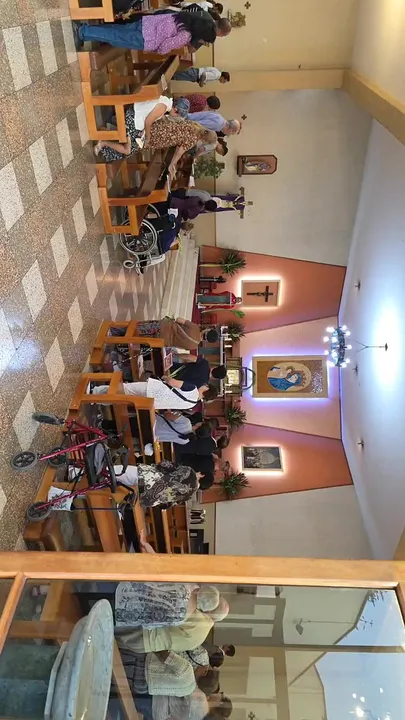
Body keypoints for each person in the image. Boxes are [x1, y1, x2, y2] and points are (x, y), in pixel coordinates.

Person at [93, 114, 216, 177]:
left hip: (156, 128)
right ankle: (104, 141)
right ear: (205, 139)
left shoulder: (194, 124)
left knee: (132, 138)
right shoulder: (193, 139)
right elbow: (179, 152)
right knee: (129, 148)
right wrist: (172, 165)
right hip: (157, 139)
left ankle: (108, 132)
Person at [115, 598, 230, 652]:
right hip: (144, 646)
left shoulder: (198, 619)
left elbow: (172, 606)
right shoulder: (202, 637)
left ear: (211, 608)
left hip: (142, 630)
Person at [94, 95, 189, 158]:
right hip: (133, 118)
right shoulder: (163, 107)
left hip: (135, 116)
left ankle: (107, 132)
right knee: (128, 150)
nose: (175, 117)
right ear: (176, 109)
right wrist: (148, 137)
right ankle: (103, 143)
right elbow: (148, 121)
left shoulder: (165, 101)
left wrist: (143, 132)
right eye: (177, 115)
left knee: (135, 147)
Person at [75, 11, 217, 52]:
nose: (202, 42)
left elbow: (164, 15)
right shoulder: (186, 35)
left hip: (146, 24)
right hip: (147, 39)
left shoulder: (185, 17)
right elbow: (165, 46)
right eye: (204, 41)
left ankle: (87, 32)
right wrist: (161, 52)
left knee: (116, 30)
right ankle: (83, 32)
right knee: (115, 37)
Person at [89, 376, 217, 410]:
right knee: (124, 398)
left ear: (206, 389)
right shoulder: (192, 404)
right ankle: (99, 400)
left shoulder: (193, 388)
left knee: (124, 388)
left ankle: (94, 393)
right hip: (153, 403)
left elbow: (172, 382)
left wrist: (166, 377)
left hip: (153, 390)